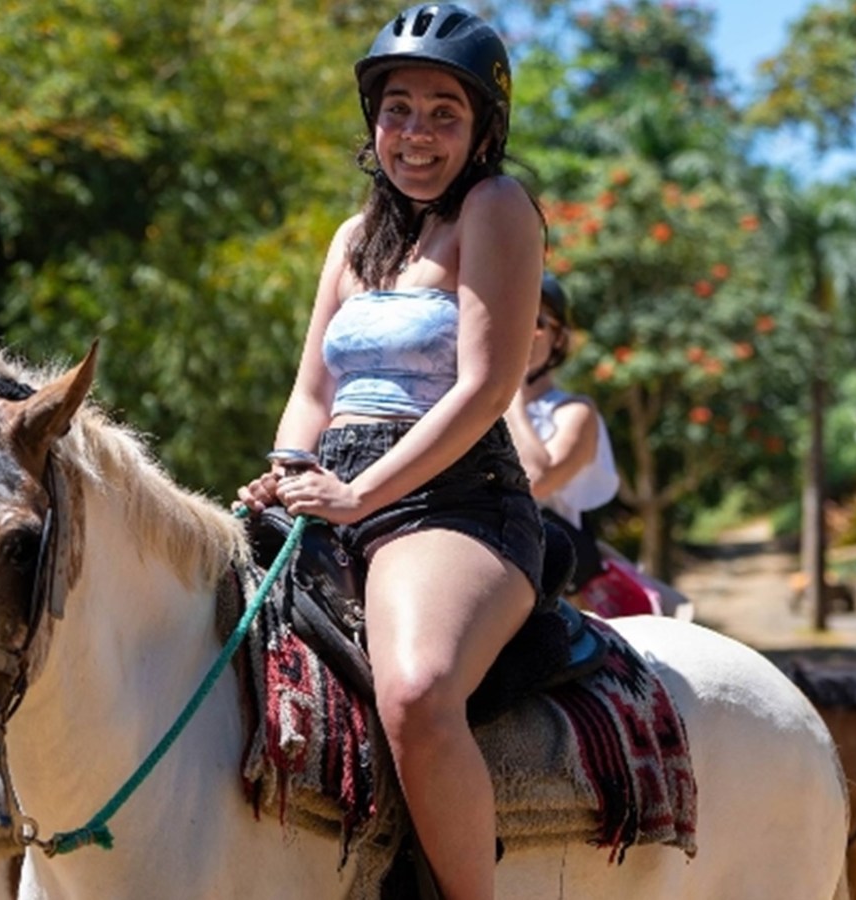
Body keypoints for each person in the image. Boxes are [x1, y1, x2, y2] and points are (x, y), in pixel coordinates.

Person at [236, 6, 545, 898]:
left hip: (456, 503)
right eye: (397, 108)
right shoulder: (351, 238)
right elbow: (312, 391)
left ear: (484, 130)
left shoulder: (496, 208)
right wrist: (290, 472)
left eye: (444, 113)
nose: (416, 134)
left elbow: (485, 387)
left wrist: (358, 494)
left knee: (414, 690)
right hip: (334, 488)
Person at [504, 272, 619, 594]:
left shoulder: (575, 412)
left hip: (547, 573)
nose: (520, 328)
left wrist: (507, 392)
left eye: (536, 320)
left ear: (560, 339)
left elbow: (537, 480)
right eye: (507, 314)